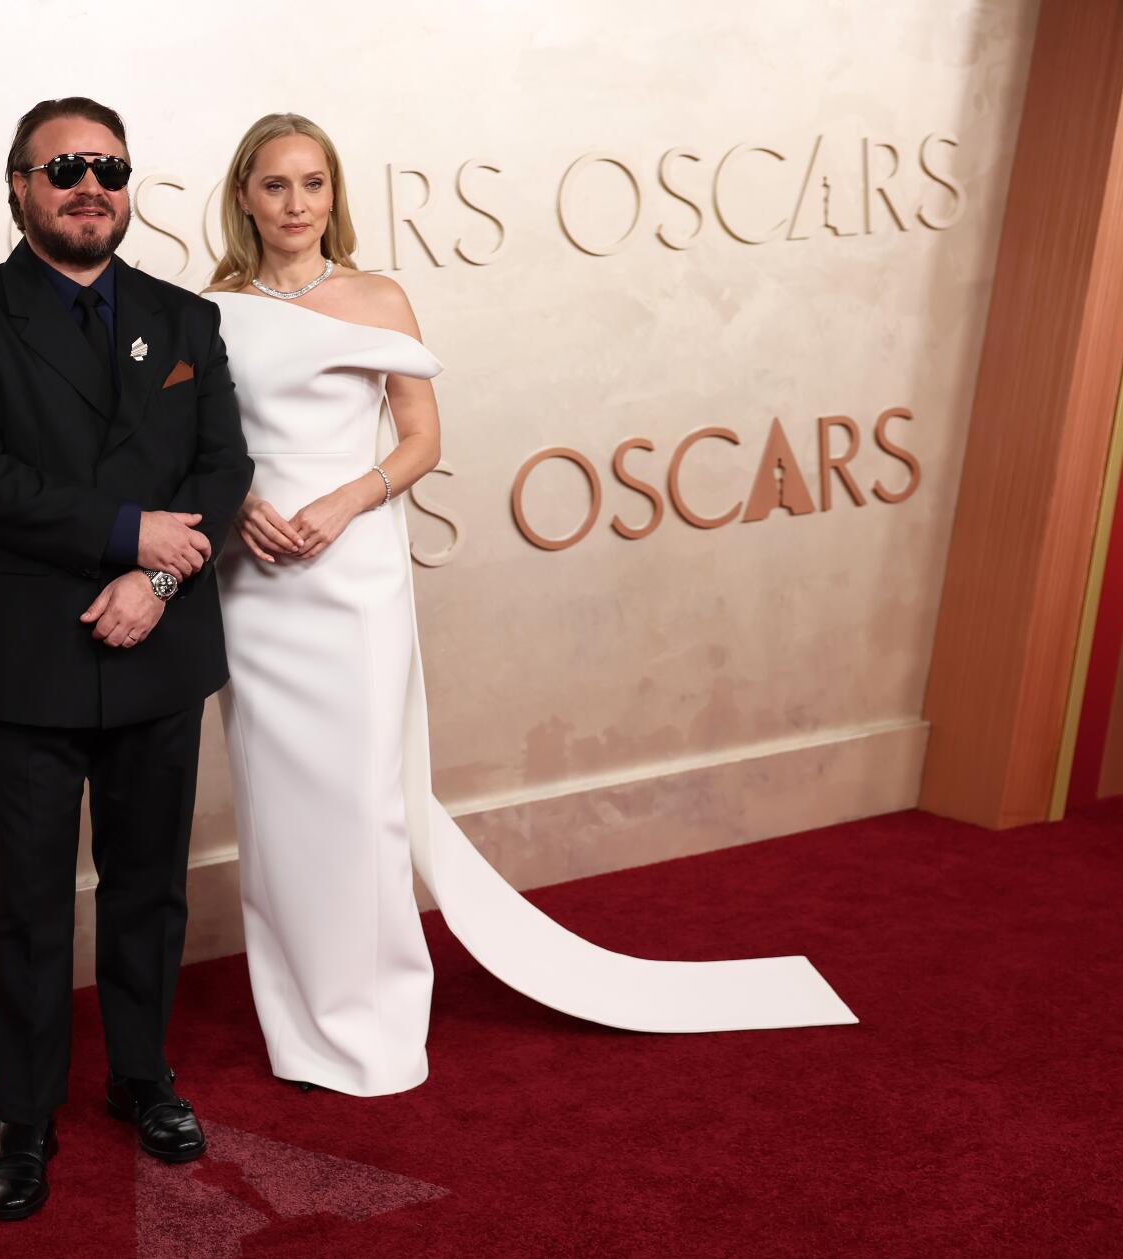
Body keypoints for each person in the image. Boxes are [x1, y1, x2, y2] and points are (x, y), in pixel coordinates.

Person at [204, 114, 856, 1098]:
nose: (295, 205)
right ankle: (297, 1024)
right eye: (274, 186)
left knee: (364, 800)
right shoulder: (207, 310)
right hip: (255, 574)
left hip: (353, 565)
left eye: (311, 184)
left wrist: (342, 500)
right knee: (279, 805)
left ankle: (377, 1024)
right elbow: (193, 442)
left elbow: (418, 439)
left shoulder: (380, 296)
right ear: (242, 196)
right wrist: (241, 505)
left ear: (334, 193)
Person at [0, 96, 254, 1220]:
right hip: (28, 660)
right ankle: (24, 1115)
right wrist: (126, 535)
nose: (87, 183)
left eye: (106, 165)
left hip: (157, 644)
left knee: (150, 887)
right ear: (16, 187)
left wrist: (155, 576)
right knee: (26, 904)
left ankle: (142, 1076)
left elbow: (219, 469)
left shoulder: (184, 318)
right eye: (61, 166)